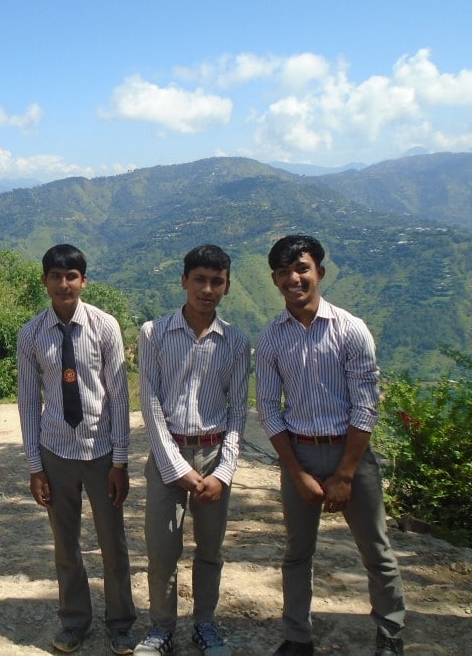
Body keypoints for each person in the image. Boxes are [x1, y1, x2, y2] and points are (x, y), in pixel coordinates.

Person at [255, 234, 406, 656]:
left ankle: (390, 633)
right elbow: (268, 408)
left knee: (376, 550)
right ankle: (297, 637)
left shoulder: (350, 329)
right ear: (274, 279)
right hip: (298, 452)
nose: (294, 279)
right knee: (297, 552)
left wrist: (345, 473)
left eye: (301, 268)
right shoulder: (270, 340)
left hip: (350, 453)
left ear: (319, 271)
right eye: (284, 272)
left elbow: (365, 405)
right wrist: (296, 471)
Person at [17, 243, 137, 655]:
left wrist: (120, 460)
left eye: (72, 276)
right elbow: (30, 402)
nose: (64, 284)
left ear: (84, 281)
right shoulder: (31, 334)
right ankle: (74, 621)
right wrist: (35, 467)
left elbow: (119, 397)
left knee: (113, 544)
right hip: (56, 453)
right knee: (65, 546)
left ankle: (121, 622)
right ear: (44, 281)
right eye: (56, 275)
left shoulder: (105, 327)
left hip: (102, 452)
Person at [134, 244, 250, 656]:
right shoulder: (154, 333)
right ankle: (162, 627)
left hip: (214, 452)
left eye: (216, 282)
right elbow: (149, 404)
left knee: (210, 550)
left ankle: (205, 623)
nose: (207, 289)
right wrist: (175, 466)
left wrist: (223, 472)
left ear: (227, 286)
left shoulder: (235, 342)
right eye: (199, 279)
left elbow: (239, 411)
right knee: (162, 551)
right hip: (169, 455)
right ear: (183, 281)